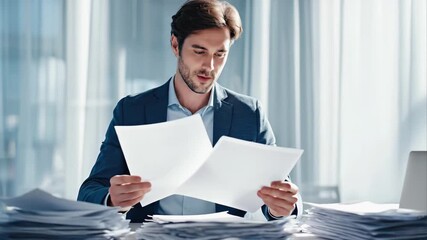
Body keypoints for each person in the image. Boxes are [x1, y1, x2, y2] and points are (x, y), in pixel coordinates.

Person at [78, 0, 302, 223]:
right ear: (175, 45)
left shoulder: (249, 115)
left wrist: (280, 207)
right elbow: (89, 191)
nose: (210, 66)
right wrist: (111, 199)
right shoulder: (133, 111)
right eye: (200, 51)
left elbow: (283, 193)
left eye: (220, 54)